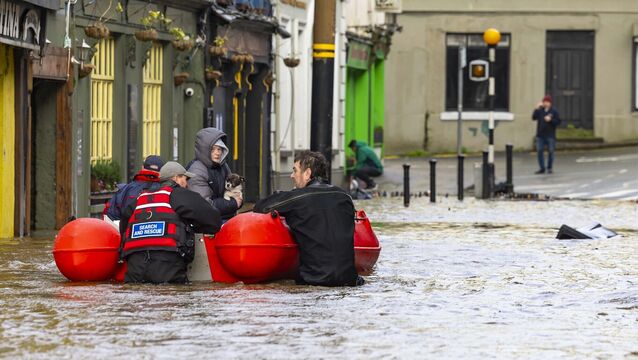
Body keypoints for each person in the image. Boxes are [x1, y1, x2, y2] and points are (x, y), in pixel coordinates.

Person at [253, 151, 363, 287]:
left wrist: (283, 195)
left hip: (314, 282)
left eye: (295, 171)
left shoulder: (298, 198)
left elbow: (260, 207)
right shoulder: (344, 197)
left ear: (307, 173)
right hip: (350, 281)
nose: (291, 175)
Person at [119, 161, 222, 284]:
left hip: (135, 266)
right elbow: (213, 220)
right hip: (167, 265)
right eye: (185, 179)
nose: (187, 184)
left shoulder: (140, 199)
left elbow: (124, 225)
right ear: (176, 178)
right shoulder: (181, 195)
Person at [188, 128, 242, 221]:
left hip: (221, 217)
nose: (217, 153)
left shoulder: (222, 165)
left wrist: (237, 197)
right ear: (204, 150)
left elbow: (234, 189)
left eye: (219, 149)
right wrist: (234, 203)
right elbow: (203, 204)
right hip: (204, 223)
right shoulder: (197, 170)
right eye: (213, 149)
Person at [103, 155, 165, 225]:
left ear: (142, 167)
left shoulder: (125, 190)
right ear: (162, 172)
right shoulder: (167, 190)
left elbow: (110, 216)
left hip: (128, 232)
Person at [532, 95, 561, 174]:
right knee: (539, 151)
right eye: (544, 102)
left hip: (550, 135)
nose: (545, 103)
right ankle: (542, 168)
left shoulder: (554, 111)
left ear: (550, 103)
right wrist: (536, 108)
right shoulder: (540, 110)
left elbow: (558, 122)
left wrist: (551, 120)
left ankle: (549, 167)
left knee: (551, 151)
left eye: (547, 102)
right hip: (540, 135)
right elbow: (534, 117)